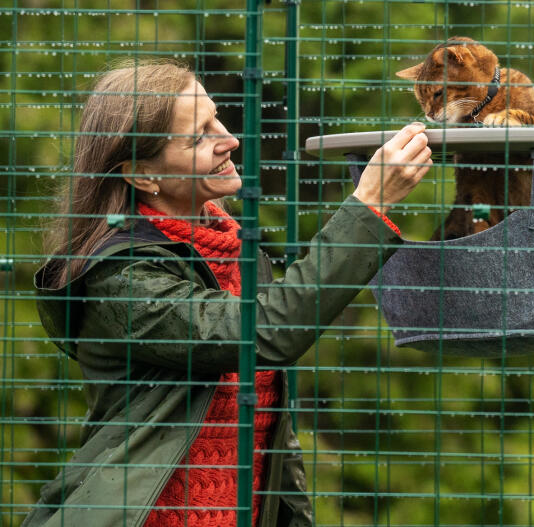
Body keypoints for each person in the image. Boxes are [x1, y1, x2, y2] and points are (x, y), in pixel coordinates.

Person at [26, 59, 431, 527]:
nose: (230, 139)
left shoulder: (233, 248)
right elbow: (264, 333)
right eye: (199, 135)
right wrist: (369, 205)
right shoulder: (121, 276)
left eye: (216, 117)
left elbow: (269, 429)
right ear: (142, 175)